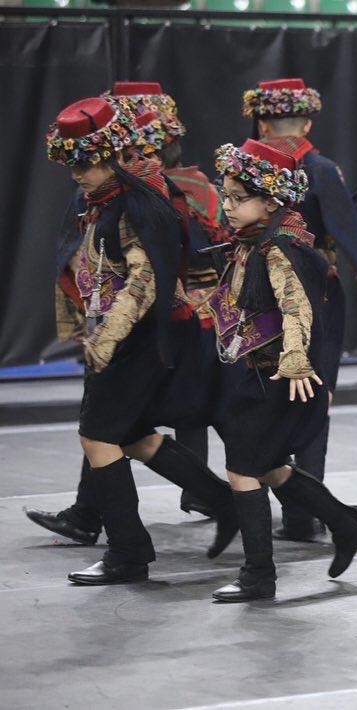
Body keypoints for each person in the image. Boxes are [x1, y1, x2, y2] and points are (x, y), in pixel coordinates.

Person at [44, 97, 239, 585]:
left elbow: (144, 278)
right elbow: (85, 268)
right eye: (72, 165)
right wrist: (85, 328)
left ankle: (129, 554)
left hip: (137, 335)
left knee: (97, 437)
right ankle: (222, 502)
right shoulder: (100, 201)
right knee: (131, 436)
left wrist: (106, 340)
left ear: (111, 156)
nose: (77, 175)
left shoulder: (136, 202)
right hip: (121, 333)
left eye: (85, 165)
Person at [208, 139, 357, 602]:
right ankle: (346, 523)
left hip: (275, 375)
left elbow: (296, 308)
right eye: (225, 196)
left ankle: (258, 576)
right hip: (258, 372)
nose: (227, 206)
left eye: (238, 198)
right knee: (270, 468)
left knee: (243, 471)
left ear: (271, 199)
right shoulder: (261, 241)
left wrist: (297, 361)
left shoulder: (277, 248)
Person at [245, 78, 357, 540]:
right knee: (314, 396)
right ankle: (304, 511)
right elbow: (351, 237)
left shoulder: (249, 169)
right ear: (306, 121)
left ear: (261, 121)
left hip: (259, 293)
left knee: (266, 397)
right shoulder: (322, 168)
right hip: (317, 292)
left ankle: (272, 502)